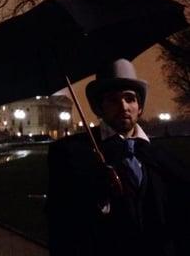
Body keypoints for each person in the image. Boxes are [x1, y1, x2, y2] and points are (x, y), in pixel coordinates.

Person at [47, 59, 190, 256]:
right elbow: (61, 224)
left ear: (140, 107)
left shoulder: (162, 157)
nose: (123, 106)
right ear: (100, 108)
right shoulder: (71, 154)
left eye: (130, 98)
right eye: (113, 100)